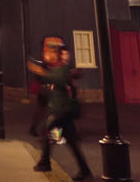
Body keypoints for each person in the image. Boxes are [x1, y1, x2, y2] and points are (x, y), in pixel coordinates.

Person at [29, 36, 92, 180]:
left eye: (51, 52)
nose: (47, 55)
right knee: (66, 140)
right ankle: (84, 170)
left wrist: (38, 70)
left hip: (61, 111)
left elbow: (53, 78)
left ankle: (45, 162)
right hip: (62, 113)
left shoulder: (62, 70)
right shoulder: (60, 69)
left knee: (49, 131)